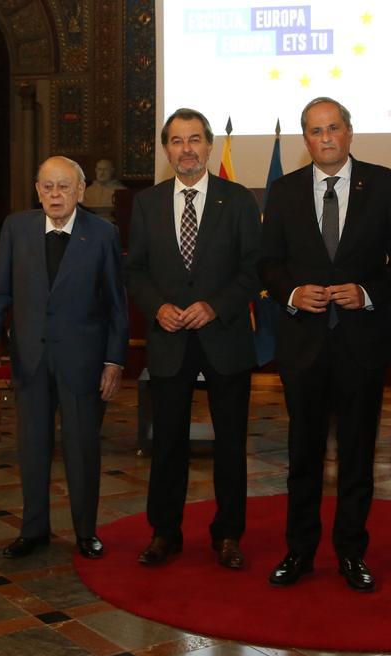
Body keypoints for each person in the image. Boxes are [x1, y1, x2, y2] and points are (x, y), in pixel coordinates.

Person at [258, 97, 391, 590]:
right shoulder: (282, 191)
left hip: (362, 345)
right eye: (316, 131)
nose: (326, 138)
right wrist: (294, 293)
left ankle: (351, 553)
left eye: (334, 128)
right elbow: (269, 264)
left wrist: (366, 293)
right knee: (302, 456)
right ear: (305, 140)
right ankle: (299, 551)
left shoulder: (384, 185)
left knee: (358, 456)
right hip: (303, 345)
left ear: (349, 132)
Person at [0, 156, 129, 561]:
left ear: (80, 191)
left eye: (63, 187)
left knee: (82, 450)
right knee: (33, 449)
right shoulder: (17, 228)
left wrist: (114, 361)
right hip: (31, 359)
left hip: (83, 362)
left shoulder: (102, 233)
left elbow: (116, 305)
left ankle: (85, 532)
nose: (55, 195)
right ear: (37, 190)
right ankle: (34, 530)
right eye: (47, 187)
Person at [125, 108, 261, 569]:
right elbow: (136, 270)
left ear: (208, 146)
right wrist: (156, 307)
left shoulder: (238, 199)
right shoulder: (146, 203)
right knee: (167, 443)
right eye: (177, 141)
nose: (187, 149)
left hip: (224, 338)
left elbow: (252, 270)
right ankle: (165, 532)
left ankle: (228, 534)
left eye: (196, 139)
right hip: (169, 340)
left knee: (230, 443)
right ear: (167, 150)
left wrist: (215, 306)